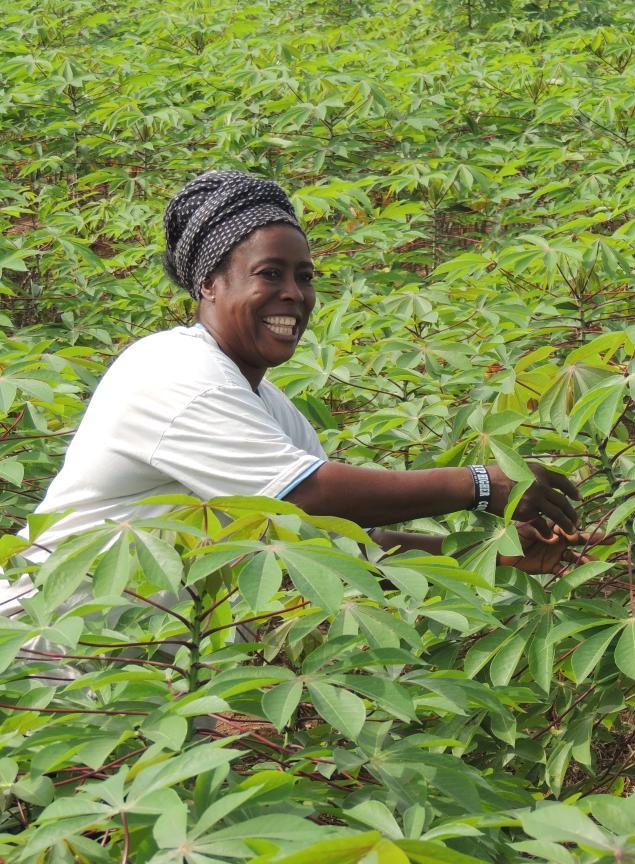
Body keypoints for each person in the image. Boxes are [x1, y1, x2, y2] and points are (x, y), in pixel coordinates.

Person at [16, 170, 590, 577]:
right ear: (208, 285)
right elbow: (306, 500)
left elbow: (329, 540)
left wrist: (493, 556)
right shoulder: (174, 371)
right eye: (270, 274)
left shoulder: (267, 405)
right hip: (41, 652)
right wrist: (480, 484)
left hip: (133, 670)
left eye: (305, 276)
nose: (294, 294)